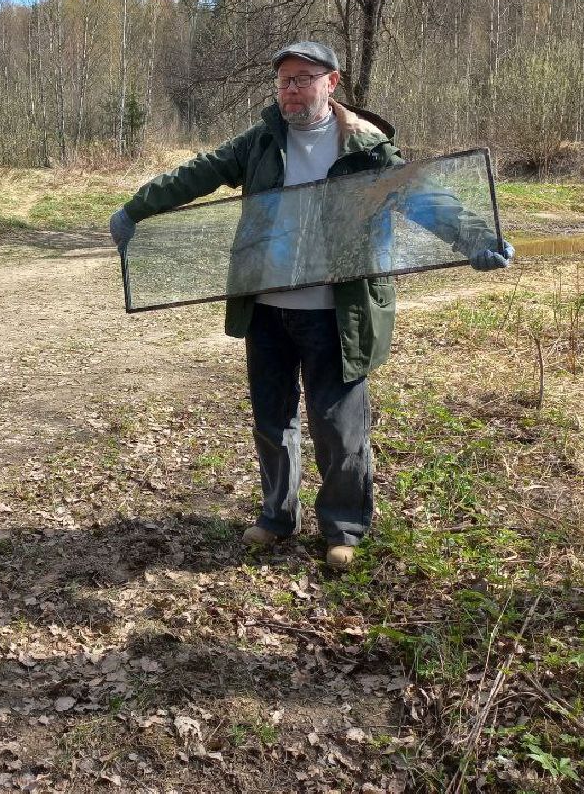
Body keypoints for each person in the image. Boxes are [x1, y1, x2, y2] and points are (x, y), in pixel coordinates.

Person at [109, 42, 513, 571]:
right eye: (284, 81)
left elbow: (425, 197)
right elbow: (198, 173)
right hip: (267, 308)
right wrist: (136, 208)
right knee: (271, 420)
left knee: (338, 428)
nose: (291, 90)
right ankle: (277, 517)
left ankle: (343, 528)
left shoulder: (366, 149)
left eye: (303, 79)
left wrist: (476, 238)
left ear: (332, 82)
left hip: (335, 313)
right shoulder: (261, 142)